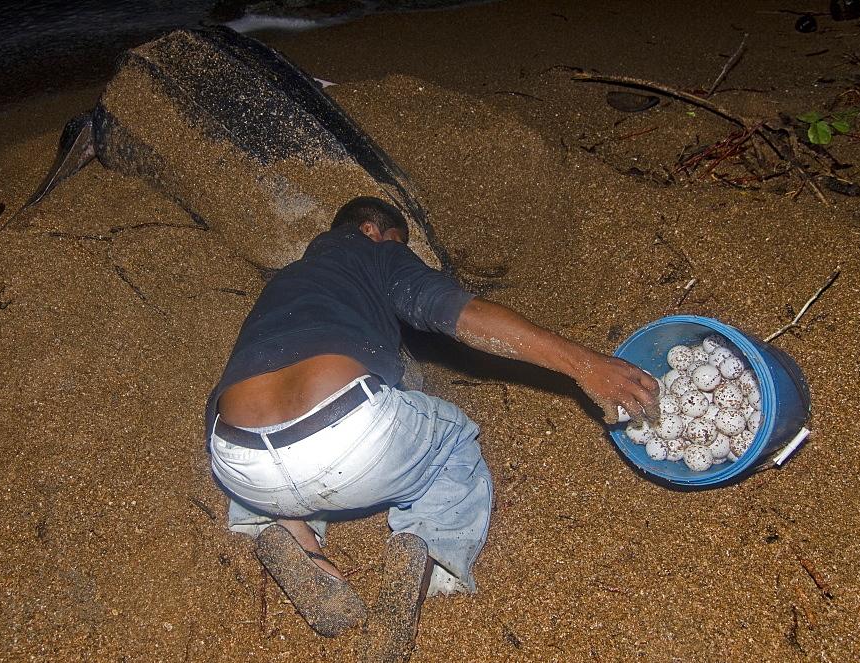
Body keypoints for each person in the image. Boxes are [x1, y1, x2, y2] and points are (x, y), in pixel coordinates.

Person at [206, 196, 658, 660]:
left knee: (273, 444)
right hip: (347, 435)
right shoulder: (371, 251)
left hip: (236, 457)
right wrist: (584, 365)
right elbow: (454, 311)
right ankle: (429, 554)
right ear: (370, 230)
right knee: (453, 439)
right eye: (400, 242)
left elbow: (220, 400)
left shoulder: (285, 282)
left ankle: (292, 537)